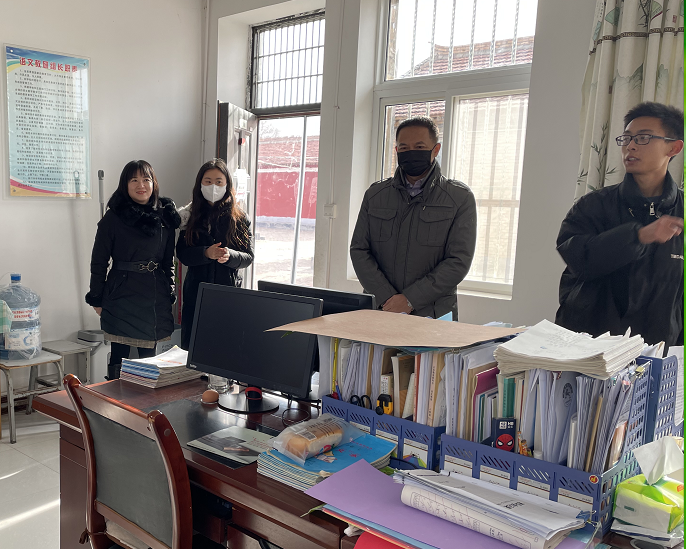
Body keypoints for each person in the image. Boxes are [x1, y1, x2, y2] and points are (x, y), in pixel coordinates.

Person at [556, 102, 684, 347]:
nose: (630, 146)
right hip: (590, 347)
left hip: (658, 352)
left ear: (674, 147)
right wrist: (638, 236)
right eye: (626, 138)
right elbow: (578, 259)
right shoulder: (593, 205)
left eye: (643, 138)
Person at [350, 116, 477, 320]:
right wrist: (387, 297)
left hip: (433, 313)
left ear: (435, 149)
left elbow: (458, 261)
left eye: (419, 147)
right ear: (396, 150)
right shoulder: (375, 195)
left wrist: (410, 299)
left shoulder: (458, 198)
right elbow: (359, 250)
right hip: (382, 308)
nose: (411, 153)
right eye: (404, 147)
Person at [85, 160, 180, 379]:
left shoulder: (164, 217)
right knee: (119, 355)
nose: (141, 185)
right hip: (121, 293)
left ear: (153, 183)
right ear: (125, 184)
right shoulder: (113, 218)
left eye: (146, 179)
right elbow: (99, 261)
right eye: (134, 180)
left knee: (149, 358)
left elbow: (168, 261)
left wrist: (170, 291)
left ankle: (145, 398)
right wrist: (97, 298)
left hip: (153, 295)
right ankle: (114, 395)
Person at [176, 158, 254, 349]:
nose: (213, 186)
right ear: (200, 184)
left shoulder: (239, 218)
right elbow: (182, 254)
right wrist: (205, 253)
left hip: (228, 293)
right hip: (196, 293)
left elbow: (248, 257)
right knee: (192, 346)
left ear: (227, 184)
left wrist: (230, 256)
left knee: (224, 347)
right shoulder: (189, 215)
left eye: (219, 182)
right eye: (208, 181)